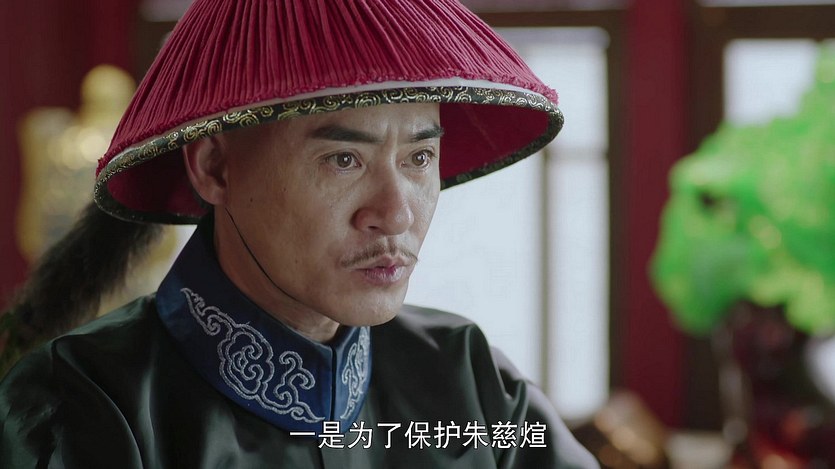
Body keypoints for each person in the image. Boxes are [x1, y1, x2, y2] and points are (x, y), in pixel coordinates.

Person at [0, 0, 599, 467]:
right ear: (215, 167)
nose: (396, 215)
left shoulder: (472, 384)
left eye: (419, 158)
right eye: (344, 159)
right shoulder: (83, 406)